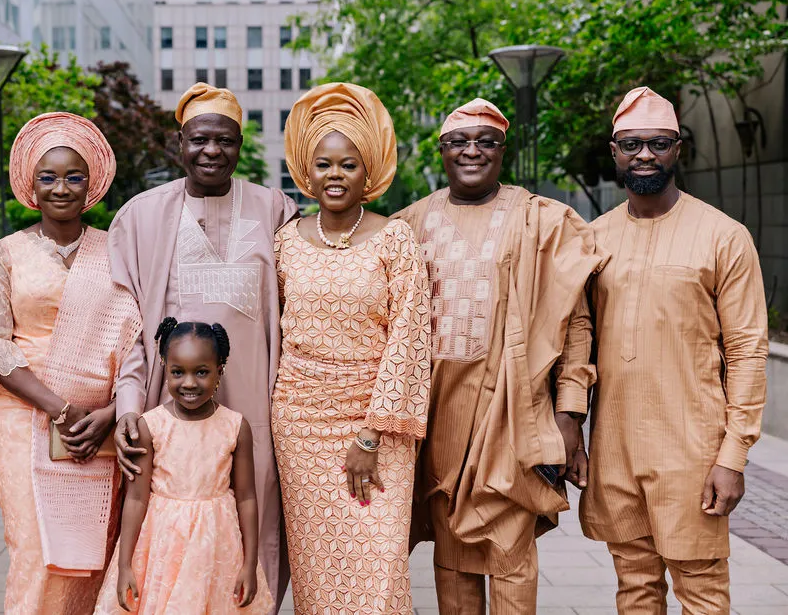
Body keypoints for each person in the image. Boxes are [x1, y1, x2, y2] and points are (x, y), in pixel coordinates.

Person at [393, 99, 606, 614]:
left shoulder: (543, 220)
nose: (472, 150)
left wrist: (569, 414)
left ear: (502, 151)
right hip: (438, 419)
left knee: (511, 555)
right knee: (451, 557)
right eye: (459, 142)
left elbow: (576, 323)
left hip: (517, 414)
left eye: (485, 141)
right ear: (441, 151)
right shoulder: (408, 224)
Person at [578, 87, 768, 614]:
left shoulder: (724, 237)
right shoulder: (593, 239)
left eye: (658, 143)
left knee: (703, 594)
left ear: (677, 149)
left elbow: (749, 351)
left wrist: (732, 457)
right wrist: (572, 434)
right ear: (614, 151)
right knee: (635, 591)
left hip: (693, 454)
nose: (645, 155)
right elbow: (576, 348)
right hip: (615, 451)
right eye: (632, 144)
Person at [109, 82, 297, 605]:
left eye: (226, 141)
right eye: (199, 140)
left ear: (240, 144)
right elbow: (126, 331)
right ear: (179, 143)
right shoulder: (141, 217)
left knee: (253, 523)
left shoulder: (274, 210)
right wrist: (128, 408)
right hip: (169, 413)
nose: (212, 151)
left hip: (256, 407)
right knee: (165, 533)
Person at [273, 82, 432, 613]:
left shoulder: (396, 238)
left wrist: (369, 435)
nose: (335, 175)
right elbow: (273, 328)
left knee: (378, 568)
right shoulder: (285, 240)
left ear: (369, 174)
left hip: (377, 422)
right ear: (306, 171)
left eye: (348, 164)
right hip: (298, 422)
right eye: (324, 164)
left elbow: (410, 338)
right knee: (317, 572)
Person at [0, 112, 142, 614]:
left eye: (74, 176)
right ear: (31, 184)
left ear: (91, 182)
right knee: (34, 550)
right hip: (25, 418)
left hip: (97, 425)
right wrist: (59, 408)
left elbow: (136, 340)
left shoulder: (115, 251)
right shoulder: (8, 252)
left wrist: (109, 414)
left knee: (91, 553)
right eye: (48, 177)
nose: (62, 188)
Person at [96, 318, 273, 615]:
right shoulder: (150, 426)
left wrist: (250, 563)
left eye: (201, 372)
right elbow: (137, 498)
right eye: (178, 372)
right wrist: (125, 564)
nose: (189, 383)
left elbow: (246, 497)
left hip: (217, 548)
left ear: (220, 369)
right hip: (163, 548)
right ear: (165, 367)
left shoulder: (234, 426)